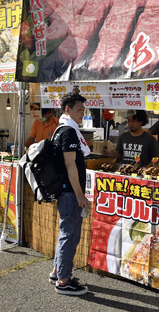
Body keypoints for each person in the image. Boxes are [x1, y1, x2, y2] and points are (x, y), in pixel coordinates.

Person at [50, 92, 91, 296]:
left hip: (65, 191)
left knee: (65, 233)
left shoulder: (60, 129)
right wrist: (80, 195)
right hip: (69, 193)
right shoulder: (69, 131)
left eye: (84, 109)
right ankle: (64, 281)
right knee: (69, 235)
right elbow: (70, 165)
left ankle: (58, 271)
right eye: (79, 109)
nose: (82, 113)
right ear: (68, 110)